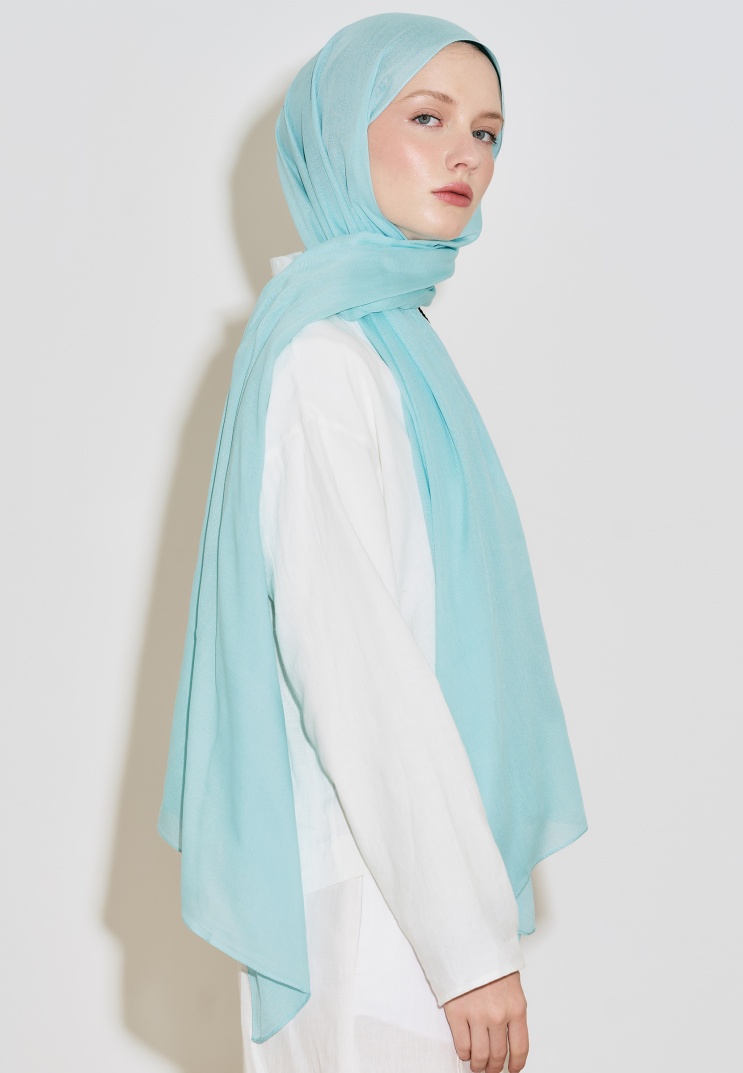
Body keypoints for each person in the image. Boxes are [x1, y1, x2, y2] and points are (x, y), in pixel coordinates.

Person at [157, 13, 588, 1073]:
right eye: (426, 118)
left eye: (486, 132)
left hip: (399, 887)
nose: (465, 155)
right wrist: (466, 946)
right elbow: (355, 665)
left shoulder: (389, 343)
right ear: (338, 137)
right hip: (374, 898)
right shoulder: (323, 360)